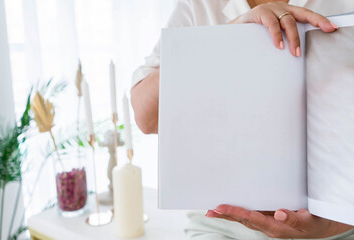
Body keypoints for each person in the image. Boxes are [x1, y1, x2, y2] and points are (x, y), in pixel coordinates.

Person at [131, 0, 354, 239]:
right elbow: (147, 118)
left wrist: (339, 224)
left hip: (338, 225)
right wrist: (226, 38)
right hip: (223, 224)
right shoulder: (198, 5)